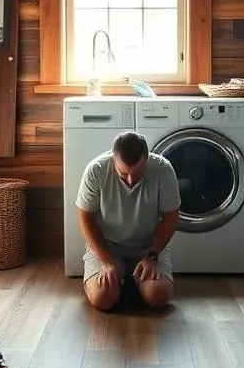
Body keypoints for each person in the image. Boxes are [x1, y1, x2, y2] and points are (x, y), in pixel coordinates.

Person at [75, 131, 180, 311]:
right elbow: (85, 218)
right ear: (113, 159)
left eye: (137, 172)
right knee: (103, 299)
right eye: (123, 173)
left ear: (147, 160)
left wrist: (152, 256)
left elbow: (170, 218)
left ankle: (130, 281)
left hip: (148, 247)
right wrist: (107, 262)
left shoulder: (164, 169)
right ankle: (125, 281)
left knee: (158, 296)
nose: (130, 180)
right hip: (107, 247)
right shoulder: (96, 170)